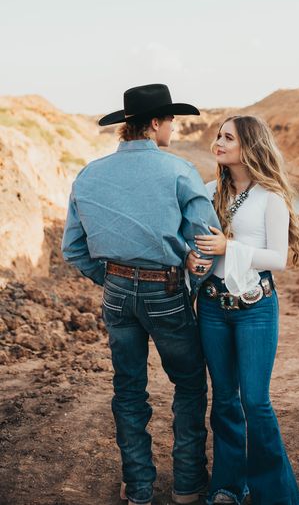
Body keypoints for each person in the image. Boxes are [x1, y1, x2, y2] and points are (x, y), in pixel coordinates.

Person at [61, 83, 220, 505]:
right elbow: (205, 246)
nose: (173, 127)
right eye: (170, 119)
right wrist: (191, 285)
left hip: (115, 292)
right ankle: (187, 486)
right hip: (165, 290)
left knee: (128, 388)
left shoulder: (89, 173)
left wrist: (113, 278)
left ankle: (139, 488)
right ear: (154, 124)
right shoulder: (180, 171)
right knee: (188, 385)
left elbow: (72, 249)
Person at [186, 115, 299, 505]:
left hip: (255, 309)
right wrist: (194, 260)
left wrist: (230, 249)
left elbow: (279, 258)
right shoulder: (207, 192)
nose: (217, 143)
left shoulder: (270, 197)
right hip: (211, 308)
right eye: (218, 136)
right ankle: (227, 485)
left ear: (249, 146)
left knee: (255, 402)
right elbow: (199, 249)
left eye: (227, 138)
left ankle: (275, 495)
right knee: (223, 399)